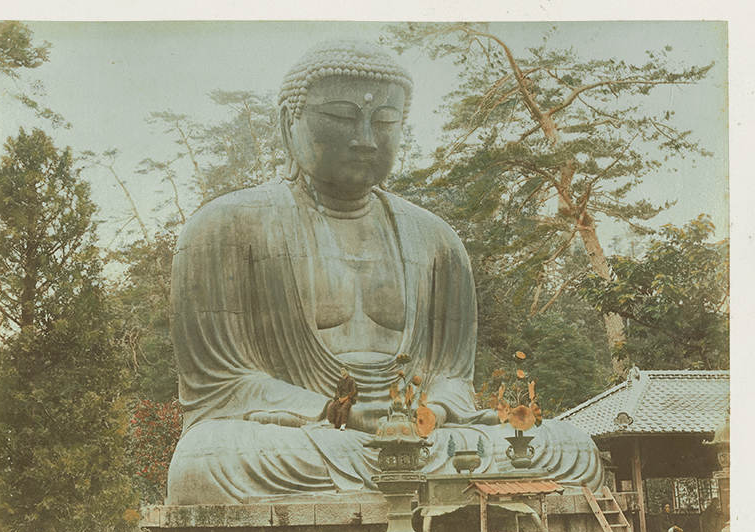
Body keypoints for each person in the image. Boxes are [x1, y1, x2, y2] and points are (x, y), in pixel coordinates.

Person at [166, 40, 603, 505]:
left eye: (385, 122)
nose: (366, 138)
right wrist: (337, 414)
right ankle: (439, 485)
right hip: (312, 436)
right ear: (286, 123)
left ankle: (418, 477)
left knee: (570, 446)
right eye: (340, 116)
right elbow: (223, 385)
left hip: (423, 437)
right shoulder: (225, 227)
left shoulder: (436, 239)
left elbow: (452, 376)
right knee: (206, 458)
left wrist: (430, 412)